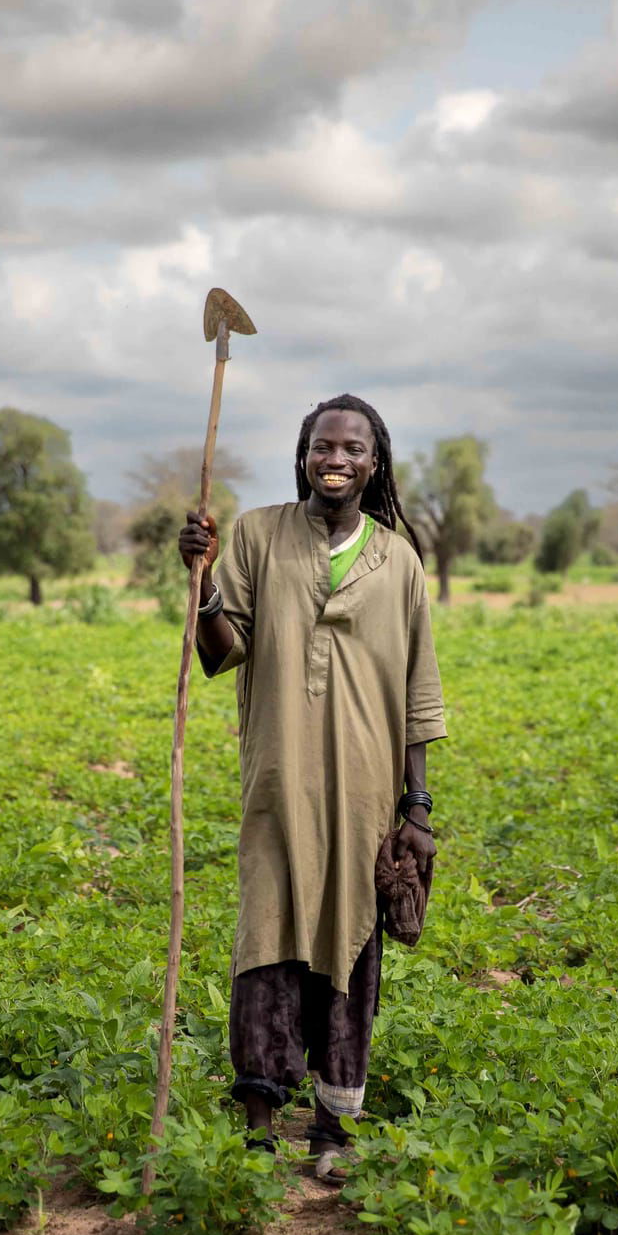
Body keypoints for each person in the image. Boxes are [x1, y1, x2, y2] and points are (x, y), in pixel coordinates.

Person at [178, 393, 445, 1182]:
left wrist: (418, 807)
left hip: (366, 793)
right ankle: (260, 1122)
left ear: (375, 461)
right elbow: (221, 653)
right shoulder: (258, 535)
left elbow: (417, 688)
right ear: (303, 454)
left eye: (353, 448)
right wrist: (202, 582)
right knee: (267, 934)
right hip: (276, 779)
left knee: (350, 938)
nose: (336, 457)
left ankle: (331, 1127)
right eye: (322, 445)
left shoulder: (397, 560)